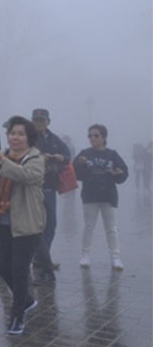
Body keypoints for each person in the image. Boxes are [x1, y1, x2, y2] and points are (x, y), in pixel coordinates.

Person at [0, 115, 45, 336]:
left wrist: (1, 160)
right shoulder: (1, 156)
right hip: (1, 221)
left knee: (19, 270)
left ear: (29, 138)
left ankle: (17, 316)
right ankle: (27, 300)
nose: (15, 137)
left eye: (21, 134)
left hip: (27, 224)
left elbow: (23, 176)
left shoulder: (36, 159)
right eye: (12, 133)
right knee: (2, 266)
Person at [74, 124, 129, 270]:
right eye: (90, 135)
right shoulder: (84, 153)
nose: (93, 138)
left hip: (108, 195)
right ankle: (85, 255)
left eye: (96, 135)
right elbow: (76, 173)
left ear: (104, 137)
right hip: (90, 195)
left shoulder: (112, 154)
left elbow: (123, 172)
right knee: (89, 226)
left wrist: (118, 173)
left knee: (111, 227)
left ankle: (115, 257)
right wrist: (80, 165)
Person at [30, 108, 70, 285]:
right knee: (34, 225)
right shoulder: (28, 138)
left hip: (50, 187)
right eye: (36, 120)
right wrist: (39, 158)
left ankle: (42, 258)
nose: (38, 123)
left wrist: (60, 160)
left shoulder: (55, 140)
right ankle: (39, 259)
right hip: (32, 187)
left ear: (48, 121)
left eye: (42, 120)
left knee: (50, 224)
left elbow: (68, 157)